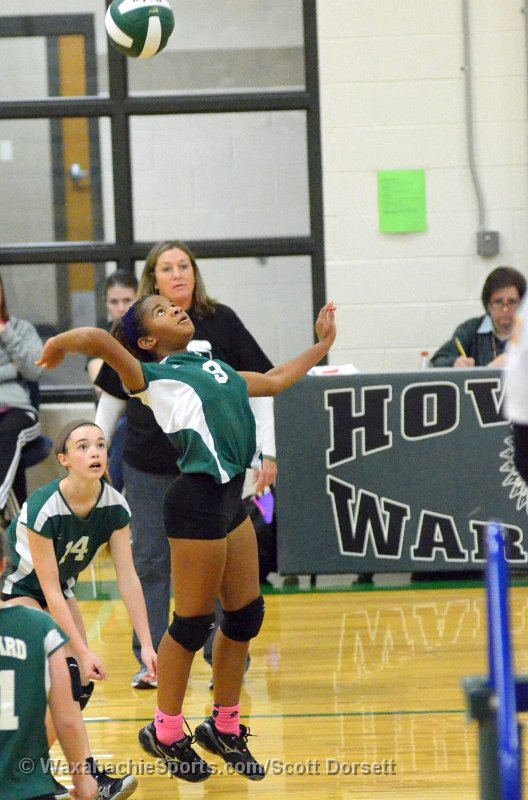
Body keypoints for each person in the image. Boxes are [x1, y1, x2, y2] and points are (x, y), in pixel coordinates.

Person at [36, 293, 336, 782]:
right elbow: (96, 339)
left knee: (245, 615)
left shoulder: (214, 367)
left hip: (230, 500)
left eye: (171, 305)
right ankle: (166, 731)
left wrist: (322, 345)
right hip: (195, 502)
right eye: (159, 311)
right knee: (193, 623)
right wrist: (57, 344)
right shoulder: (151, 377)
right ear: (146, 342)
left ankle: (225, 726)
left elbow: (277, 380)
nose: (174, 308)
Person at [93, 241, 277, 689]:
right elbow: (112, 396)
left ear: (195, 273)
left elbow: (261, 385)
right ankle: (152, 659)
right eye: (166, 268)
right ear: (153, 279)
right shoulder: (139, 326)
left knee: (218, 571)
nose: (177, 274)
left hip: (208, 472)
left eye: (184, 266)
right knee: (151, 561)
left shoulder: (221, 321)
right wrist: (97, 450)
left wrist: (267, 452)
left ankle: (223, 660)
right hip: (148, 463)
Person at [2, 419, 157, 800]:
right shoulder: (44, 506)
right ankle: (31, 770)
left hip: (59, 590)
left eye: (101, 445)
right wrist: (83, 651)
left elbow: (128, 578)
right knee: (63, 675)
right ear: (64, 459)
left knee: (79, 684)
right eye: (83, 447)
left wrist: (147, 644)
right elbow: (47, 589)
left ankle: (50, 770)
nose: (95, 453)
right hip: (16, 590)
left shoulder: (115, 505)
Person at [0, 531, 98, 800]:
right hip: (28, 788)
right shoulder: (41, 627)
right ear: (4, 564)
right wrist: (81, 776)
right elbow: (65, 717)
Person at [87, 270, 139, 492]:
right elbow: (100, 383)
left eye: (127, 300)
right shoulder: (100, 333)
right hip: (114, 420)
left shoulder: (146, 333)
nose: (120, 308)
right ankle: (110, 491)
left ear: (138, 298)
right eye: (114, 302)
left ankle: (110, 492)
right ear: (105, 303)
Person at [0, 272, 43, 515]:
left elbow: (34, 370)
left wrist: (5, 332)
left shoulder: (22, 329)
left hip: (17, 410)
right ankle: (16, 524)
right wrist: (11, 369)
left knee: (8, 436)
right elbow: (20, 368)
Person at [430, 266, 526, 368]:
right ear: (488, 305)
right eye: (498, 302)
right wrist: (454, 363)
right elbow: (437, 361)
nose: (505, 309)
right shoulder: (470, 330)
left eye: (512, 302)